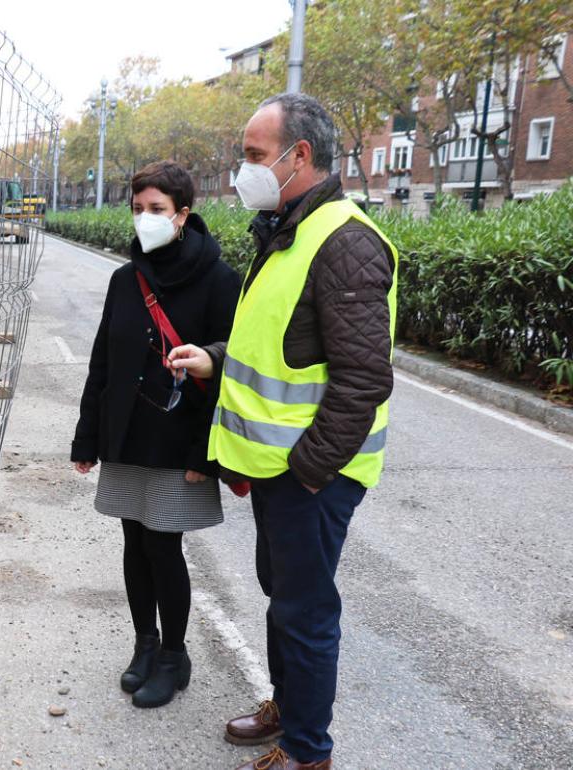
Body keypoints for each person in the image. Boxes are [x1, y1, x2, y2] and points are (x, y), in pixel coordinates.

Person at [167, 93, 398, 770]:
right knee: (285, 600)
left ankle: (306, 753)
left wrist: (305, 471)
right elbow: (278, 343)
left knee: (304, 612)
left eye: (253, 156)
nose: (244, 172)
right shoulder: (285, 230)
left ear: (299, 157)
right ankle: (289, 710)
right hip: (279, 470)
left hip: (312, 473)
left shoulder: (344, 241)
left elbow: (362, 381)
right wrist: (216, 358)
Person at [71, 161, 242, 710]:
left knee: (163, 547)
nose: (145, 219)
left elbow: (231, 372)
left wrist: (205, 456)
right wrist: (87, 438)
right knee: (133, 543)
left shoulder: (221, 280)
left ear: (184, 214)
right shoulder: (127, 278)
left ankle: (173, 655)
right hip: (126, 434)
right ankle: (144, 645)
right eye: (138, 209)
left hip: (180, 441)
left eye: (157, 209)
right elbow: (103, 360)